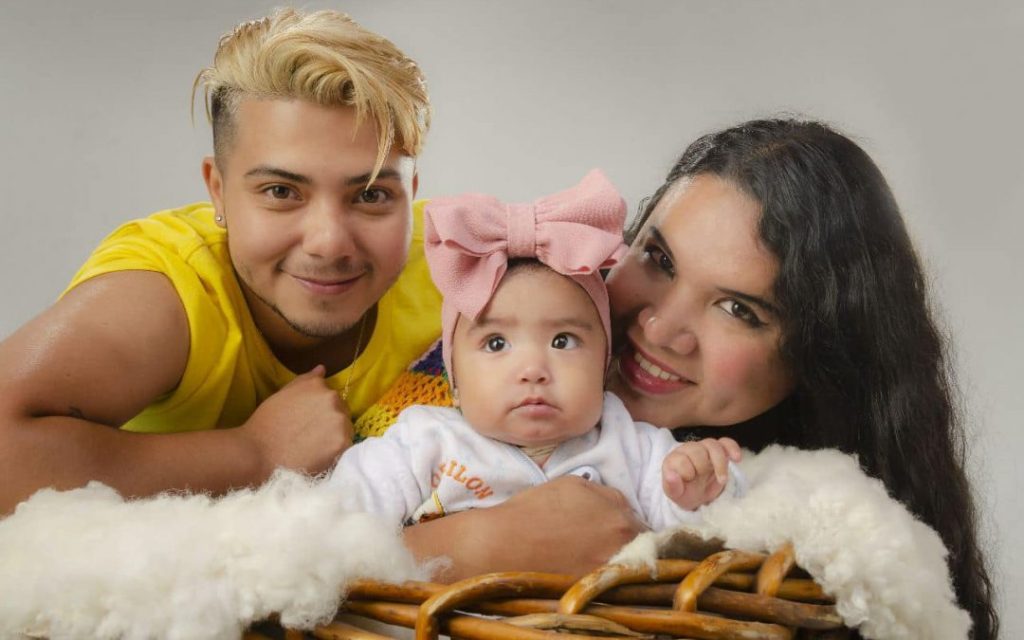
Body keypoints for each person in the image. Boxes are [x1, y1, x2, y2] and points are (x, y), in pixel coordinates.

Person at [396, 119, 998, 638]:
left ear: (822, 360)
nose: (660, 328)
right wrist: (477, 545)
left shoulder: (819, 543)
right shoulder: (456, 375)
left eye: (738, 309)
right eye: (659, 259)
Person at [0, 8, 440, 513]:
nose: (329, 243)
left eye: (371, 195)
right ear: (218, 191)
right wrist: (253, 454)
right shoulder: (171, 288)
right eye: (281, 191)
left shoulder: (461, 267)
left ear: (410, 193)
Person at [329, 171, 742, 528]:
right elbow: (342, 520)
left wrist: (695, 488)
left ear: (603, 367)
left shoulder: (634, 446)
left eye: (563, 341)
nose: (533, 369)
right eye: (496, 343)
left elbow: (706, 525)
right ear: (454, 382)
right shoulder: (425, 441)